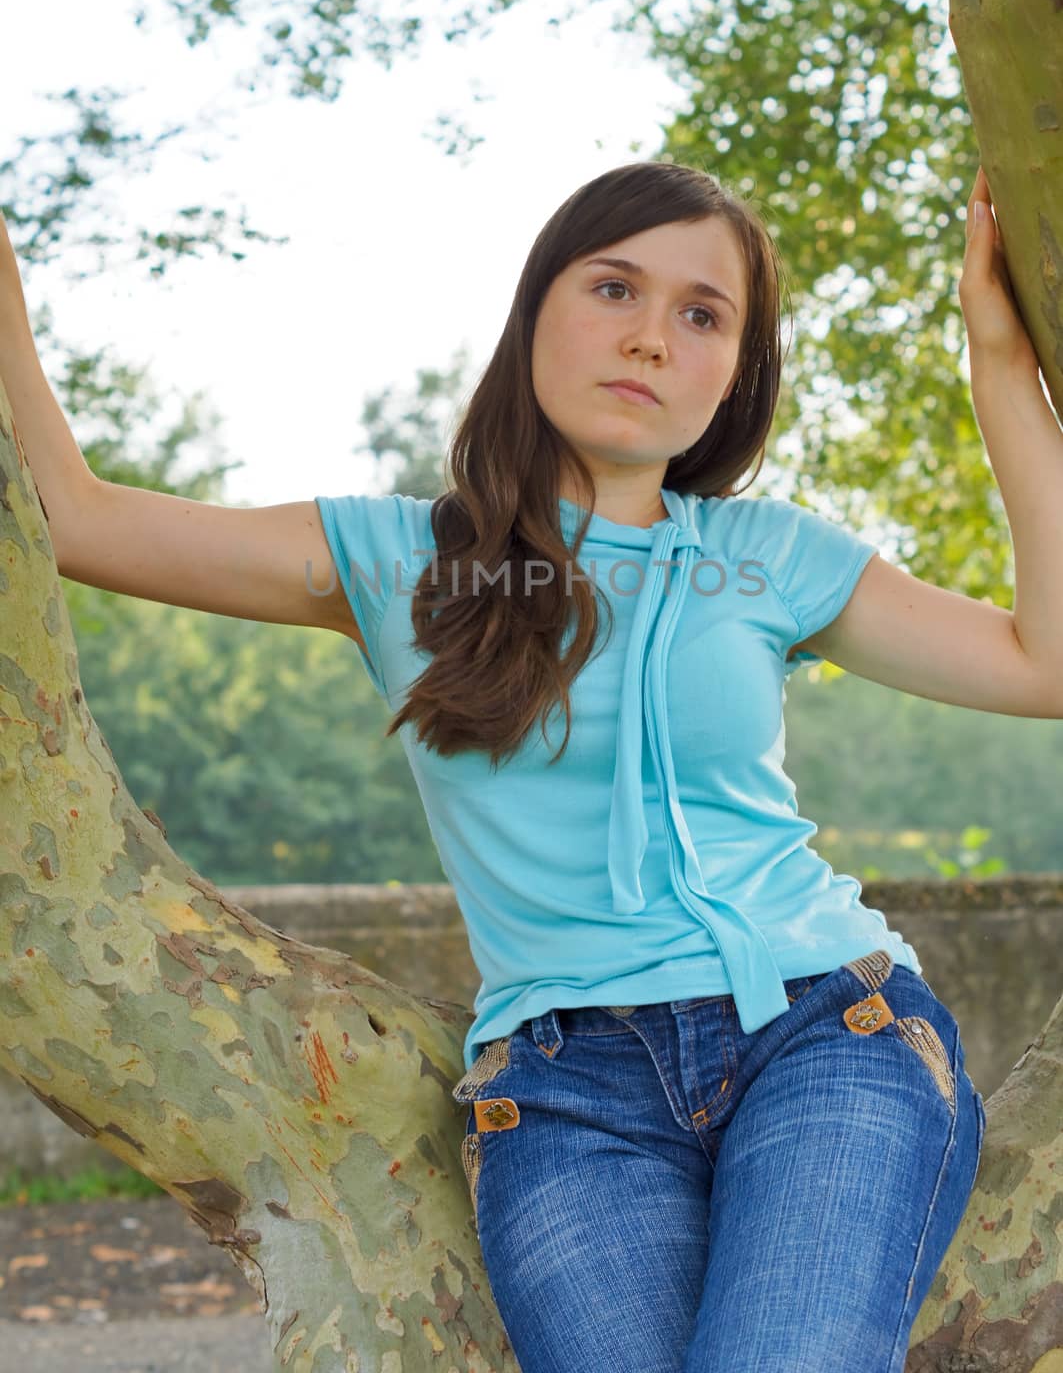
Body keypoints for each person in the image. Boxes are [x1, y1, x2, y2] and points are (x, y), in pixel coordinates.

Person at [1, 159, 998, 1372]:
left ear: (735, 371)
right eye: (614, 288)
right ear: (535, 314)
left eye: (700, 314)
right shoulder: (393, 558)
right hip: (566, 1093)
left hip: (824, 1033)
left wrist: (999, 362)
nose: (648, 339)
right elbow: (78, 518)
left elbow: (1042, 662)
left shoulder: (768, 556)